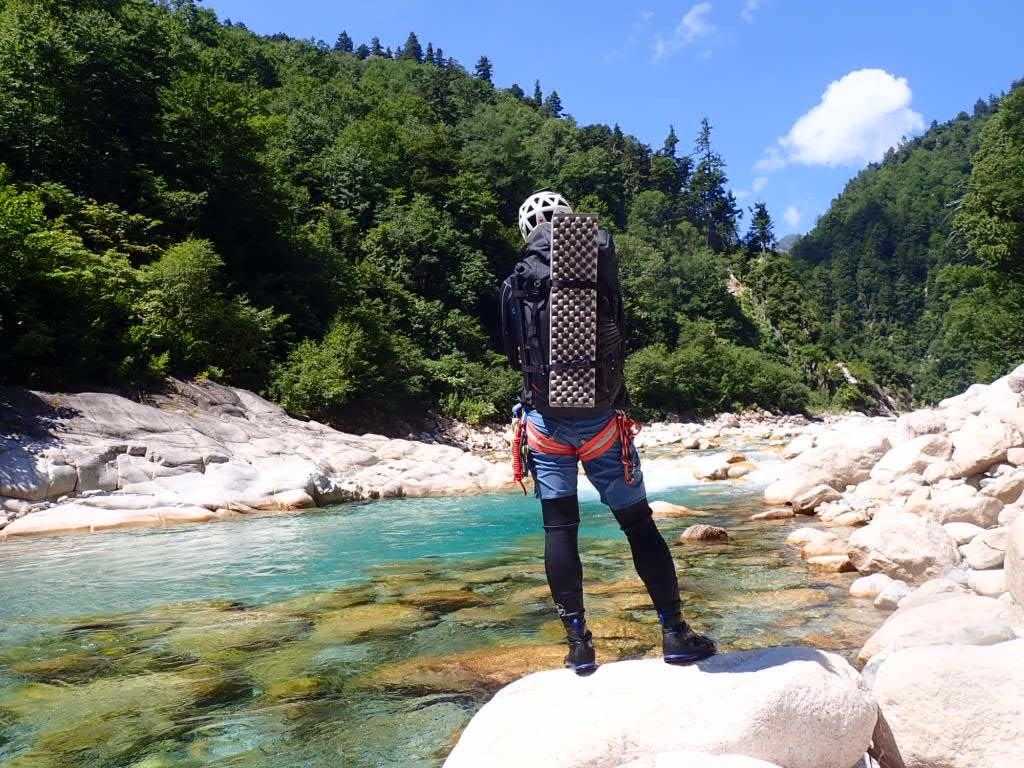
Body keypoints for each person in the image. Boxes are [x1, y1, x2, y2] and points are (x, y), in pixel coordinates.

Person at [500, 190, 716, 675]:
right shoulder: (597, 263)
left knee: (560, 529)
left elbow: (512, 351)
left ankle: (579, 644)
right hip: (602, 421)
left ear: (527, 232)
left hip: (544, 423)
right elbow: (619, 329)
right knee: (639, 525)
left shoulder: (517, 281)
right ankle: (675, 633)